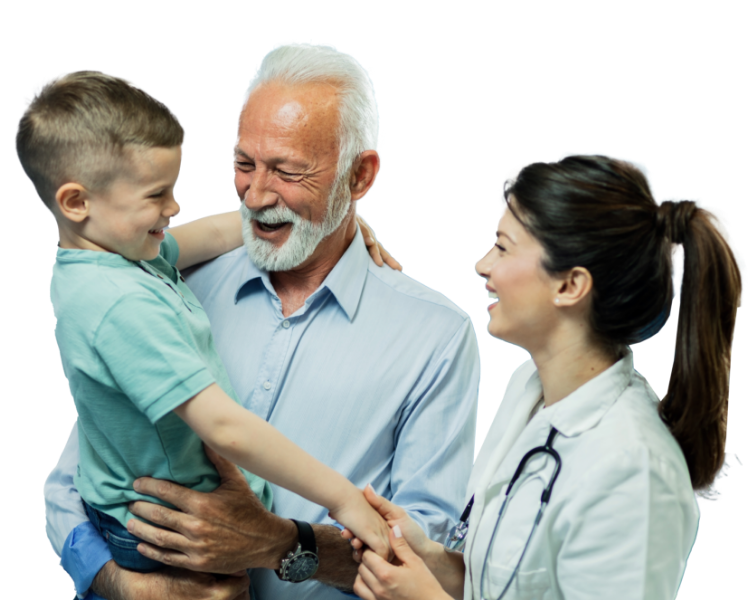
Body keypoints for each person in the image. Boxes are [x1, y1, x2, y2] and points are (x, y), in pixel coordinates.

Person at [43, 43, 481, 600]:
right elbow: (72, 480)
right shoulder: (164, 284)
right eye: (243, 165)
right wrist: (127, 586)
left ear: (360, 176)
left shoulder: (435, 336)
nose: (256, 194)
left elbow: (422, 562)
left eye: (289, 171)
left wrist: (279, 545)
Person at [348, 153, 744, 599]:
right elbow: (504, 586)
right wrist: (432, 560)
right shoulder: (527, 387)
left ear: (570, 286)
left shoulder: (634, 470)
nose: (483, 265)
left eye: (502, 246)